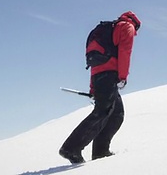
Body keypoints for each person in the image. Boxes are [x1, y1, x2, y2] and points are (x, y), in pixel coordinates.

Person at [59, 11, 141, 164]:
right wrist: (123, 77)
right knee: (102, 112)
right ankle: (71, 148)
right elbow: (125, 52)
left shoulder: (106, 30)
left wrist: (93, 88)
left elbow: (94, 65)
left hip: (100, 77)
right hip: (110, 75)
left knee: (116, 114)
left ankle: (101, 151)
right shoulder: (126, 27)